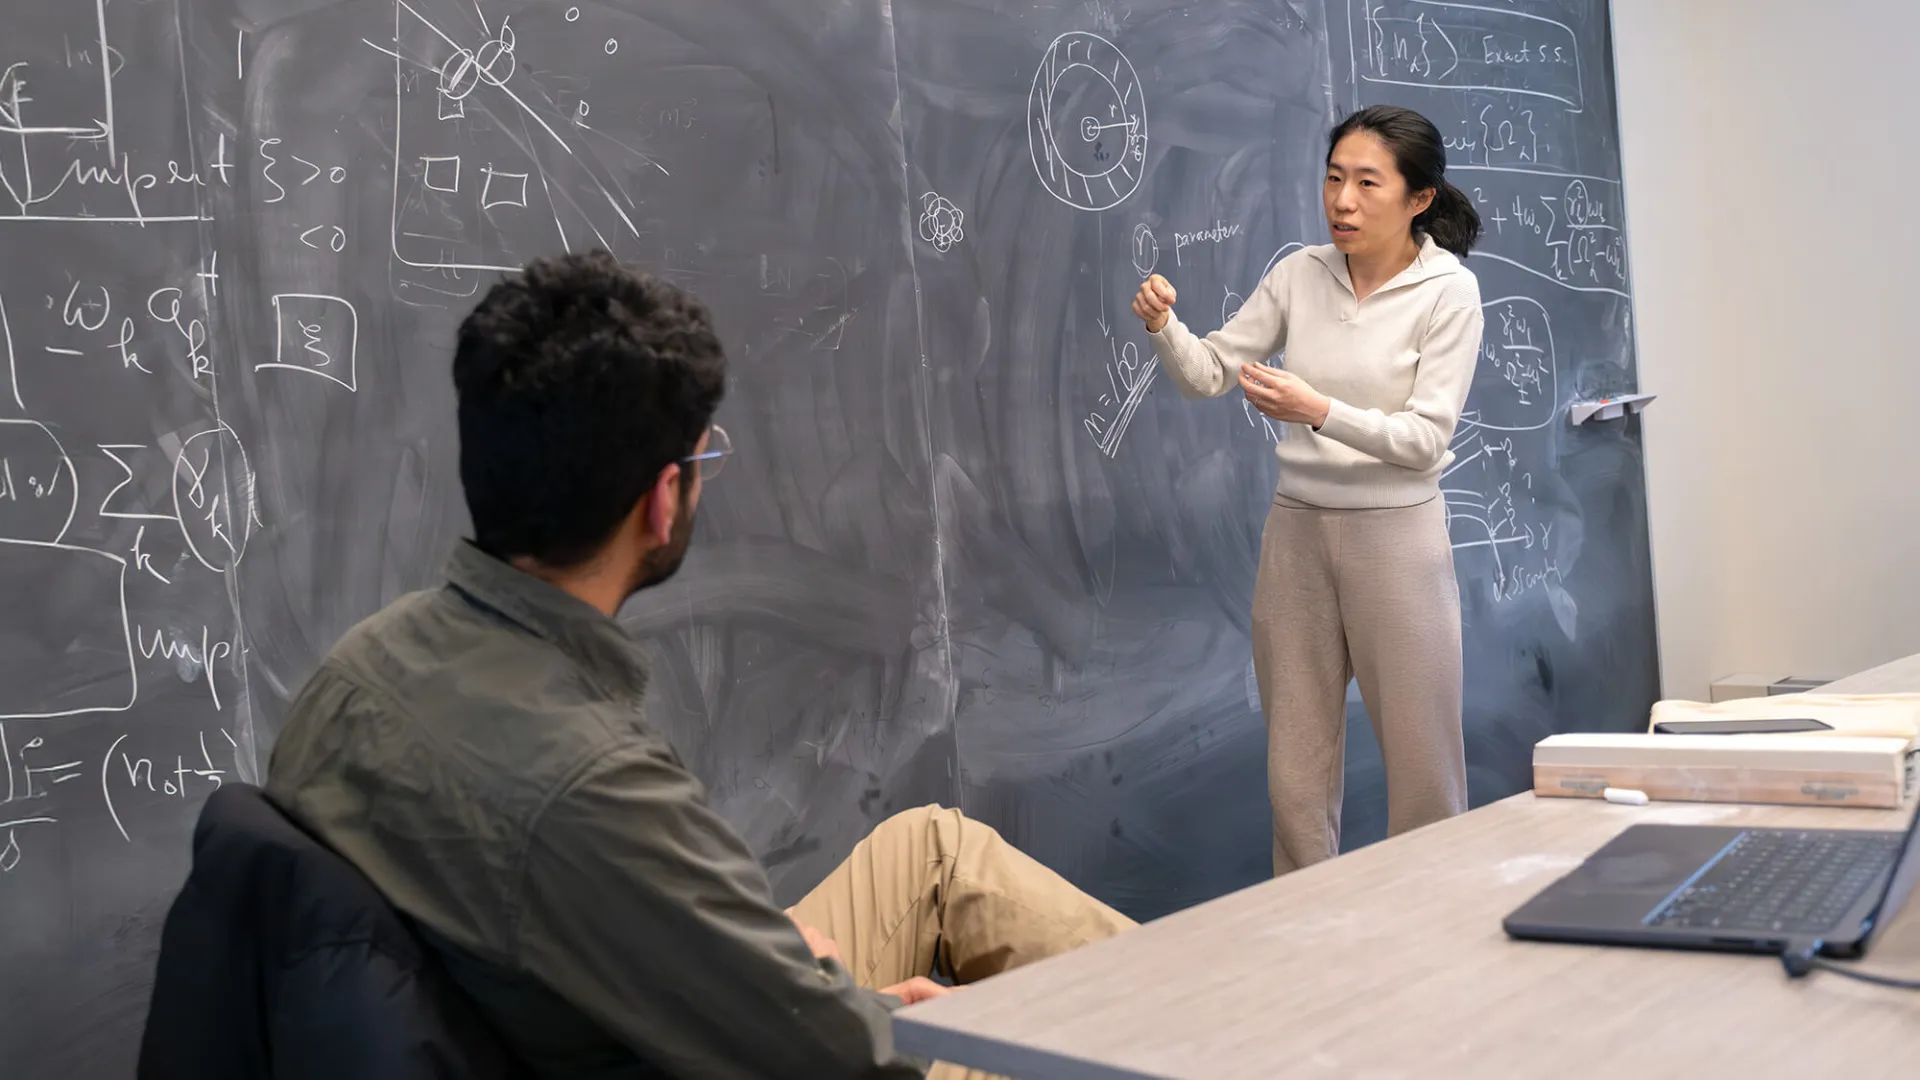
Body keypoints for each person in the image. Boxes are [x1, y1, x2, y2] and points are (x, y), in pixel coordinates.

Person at [264, 250, 1135, 1079]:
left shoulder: (358, 670)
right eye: (700, 458)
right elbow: (841, 1062)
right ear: (662, 499)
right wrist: (850, 1008)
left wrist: (784, 974)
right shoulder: (593, 781)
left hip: (575, 1018)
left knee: (932, 852)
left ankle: (1225, 1011)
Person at [1131, 105, 1485, 877]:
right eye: (1333, 179)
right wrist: (1165, 326)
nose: (1342, 202)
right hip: (1297, 538)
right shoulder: (1299, 273)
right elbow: (1210, 375)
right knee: (1295, 772)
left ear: (1418, 198)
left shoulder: (1448, 293)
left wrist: (1314, 409)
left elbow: (1425, 441)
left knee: (1424, 766)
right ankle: (1303, 943)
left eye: (1366, 182)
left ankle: (1435, 938)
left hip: (1398, 541)